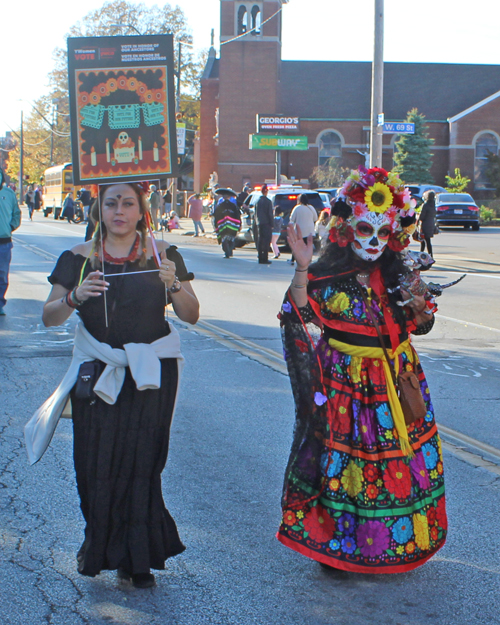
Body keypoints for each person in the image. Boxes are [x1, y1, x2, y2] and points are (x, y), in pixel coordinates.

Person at [25, 182, 199, 588]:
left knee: (142, 465)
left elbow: (191, 314)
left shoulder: (164, 255)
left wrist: (173, 285)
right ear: (98, 210)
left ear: (142, 211)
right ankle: (103, 544)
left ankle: (137, 560)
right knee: (94, 466)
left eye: (128, 203)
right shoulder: (78, 259)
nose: (119, 210)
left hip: (151, 374)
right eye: (111, 203)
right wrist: (75, 298)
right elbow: (49, 316)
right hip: (98, 372)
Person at [277, 166, 447, 574]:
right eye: (365, 231)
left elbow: (421, 325)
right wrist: (302, 266)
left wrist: (421, 305)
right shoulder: (325, 275)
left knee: (398, 463)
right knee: (346, 466)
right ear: (346, 229)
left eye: (384, 233)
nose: (374, 242)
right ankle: (339, 547)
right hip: (346, 384)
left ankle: (395, 543)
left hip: (397, 379)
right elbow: (296, 313)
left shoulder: (399, 274)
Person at [0, 167, 21, 315]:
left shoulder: (9, 193)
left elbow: (16, 213)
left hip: (4, 242)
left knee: (2, 275)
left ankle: (0, 302)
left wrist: (10, 227)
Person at [288, 194, 318, 265]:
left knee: (297, 245)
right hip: (310, 230)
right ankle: (308, 260)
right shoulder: (311, 207)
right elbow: (315, 218)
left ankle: (293, 259)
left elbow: (292, 219)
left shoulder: (297, 207)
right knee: (308, 245)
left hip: (300, 230)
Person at [213, 188, 241, 258]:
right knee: (228, 239)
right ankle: (228, 251)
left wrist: (216, 225)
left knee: (227, 239)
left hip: (227, 226)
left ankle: (228, 252)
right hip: (228, 226)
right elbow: (238, 215)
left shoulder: (224, 206)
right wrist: (239, 224)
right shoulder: (229, 206)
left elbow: (216, 216)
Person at [255, 184, 274, 264]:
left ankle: (260, 257)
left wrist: (257, 222)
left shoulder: (257, 201)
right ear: (266, 192)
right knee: (266, 241)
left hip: (259, 223)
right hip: (266, 224)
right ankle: (265, 258)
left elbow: (255, 213)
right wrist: (272, 224)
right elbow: (270, 214)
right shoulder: (268, 202)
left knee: (260, 240)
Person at [418, 190, 436, 257]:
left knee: (422, 240)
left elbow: (422, 217)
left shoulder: (425, 205)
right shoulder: (433, 205)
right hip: (431, 224)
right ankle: (431, 255)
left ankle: (421, 254)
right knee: (428, 241)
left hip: (425, 224)